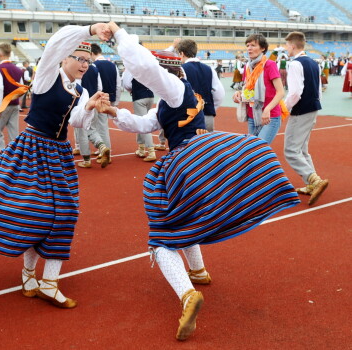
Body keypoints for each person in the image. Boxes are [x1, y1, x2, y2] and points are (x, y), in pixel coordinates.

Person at [96, 21, 300, 341]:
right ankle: (199, 271)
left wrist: (121, 36)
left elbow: (147, 69)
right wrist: (111, 111)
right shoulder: (172, 100)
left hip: (186, 162)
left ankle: (187, 293)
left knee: (163, 232)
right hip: (201, 155)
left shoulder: (174, 89)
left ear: (168, 71)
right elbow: (142, 124)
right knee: (183, 217)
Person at [0, 24, 112, 309]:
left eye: (88, 61)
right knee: (31, 212)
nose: (85, 64)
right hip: (32, 149)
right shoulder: (47, 76)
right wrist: (89, 30)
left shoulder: (82, 89)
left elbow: (76, 122)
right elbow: (54, 44)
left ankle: (47, 282)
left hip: (58, 153)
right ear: (65, 58)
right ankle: (29, 276)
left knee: (64, 213)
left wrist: (89, 107)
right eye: (79, 58)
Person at [284, 32, 328, 206]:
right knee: (302, 148)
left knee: (290, 150)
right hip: (313, 108)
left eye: (287, 45)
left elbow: (295, 92)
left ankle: (314, 180)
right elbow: (318, 90)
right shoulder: (313, 62)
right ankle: (312, 183)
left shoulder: (295, 64)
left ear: (293, 46)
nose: (286, 48)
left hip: (301, 110)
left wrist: (284, 109)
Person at [233, 34, 285, 144]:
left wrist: (267, 110)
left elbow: (280, 92)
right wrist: (238, 93)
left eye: (253, 45)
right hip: (253, 116)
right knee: (252, 149)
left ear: (262, 48)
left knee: (259, 149)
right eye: (247, 45)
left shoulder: (269, 65)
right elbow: (247, 87)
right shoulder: (247, 66)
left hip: (269, 116)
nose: (249, 48)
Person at [173, 38, 225, 132]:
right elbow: (219, 94)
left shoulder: (181, 70)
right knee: (207, 145)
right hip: (207, 115)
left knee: (188, 146)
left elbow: (177, 95)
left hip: (189, 118)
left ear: (182, 53)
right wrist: (210, 107)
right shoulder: (210, 69)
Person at [122, 35, 157, 162]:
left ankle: (150, 150)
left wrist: (133, 90)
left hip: (139, 96)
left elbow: (126, 83)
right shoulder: (149, 62)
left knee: (143, 122)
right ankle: (141, 148)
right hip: (150, 95)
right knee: (143, 120)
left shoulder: (132, 63)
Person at [75, 58, 111, 168]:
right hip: (94, 101)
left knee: (82, 132)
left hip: (82, 103)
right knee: (92, 129)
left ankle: (86, 160)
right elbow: (99, 87)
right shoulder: (95, 69)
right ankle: (102, 147)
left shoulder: (76, 69)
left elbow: (76, 88)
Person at [90, 43, 121, 165]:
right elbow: (118, 84)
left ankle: (106, 151)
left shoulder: (93, 66)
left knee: (99, 126)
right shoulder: (112, 65)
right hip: (111, 96)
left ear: (92, 53)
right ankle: (102, 148)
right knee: (101, 125)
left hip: (99, 97)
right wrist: (116, 101)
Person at [0, 43, 24, 151]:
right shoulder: (18, 70)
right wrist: (18, 102)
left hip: (4, 104)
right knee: (14, 134)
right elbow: (22, 88)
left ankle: (3, 157)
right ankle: (15, 157)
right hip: (15, 104)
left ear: (0, 54)